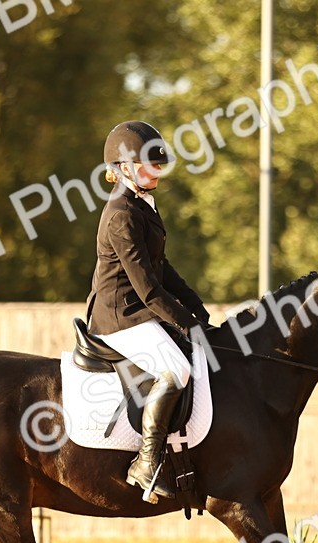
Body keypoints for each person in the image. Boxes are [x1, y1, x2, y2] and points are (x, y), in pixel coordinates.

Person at [84, 120, 212, 502]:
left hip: (141, 309)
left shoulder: (142, 204)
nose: (154, 171)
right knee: (178, 368)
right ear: (123, 168)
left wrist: (197, 309)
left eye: (157, 164)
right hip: (121, 316)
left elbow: (163, 268)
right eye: (146, 165)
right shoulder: (122, 213)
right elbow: (148, 287)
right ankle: (146, 461)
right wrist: (186, 324)